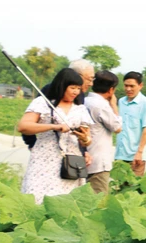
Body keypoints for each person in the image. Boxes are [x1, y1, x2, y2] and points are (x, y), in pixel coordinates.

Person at [17, 69, 93, 204]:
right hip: (44, 160)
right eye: (72, 88)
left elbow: (87, 140)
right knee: (37, 199)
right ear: (62, 86)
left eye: (78, 88)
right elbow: (23, 126)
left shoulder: (80, 109)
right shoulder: (43, 103)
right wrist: (54, 127)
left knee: (65, 204)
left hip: (70, 163)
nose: (76, 92)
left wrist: (84, 138)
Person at [84, 71, 122, 194]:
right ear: (111, 90)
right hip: (98, 162)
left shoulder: (84, 101)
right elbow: (117, 127)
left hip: (84, 157)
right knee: (98, 201)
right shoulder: (101, 105)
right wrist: (114, 105)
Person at [115, 72, 146, 177]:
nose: (128, 89)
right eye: (126, 86)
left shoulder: (145, 103)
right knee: (119, 188)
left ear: (140, 86)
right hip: (120, 154)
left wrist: (140, 152)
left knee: (133, 189)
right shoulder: (121, 101)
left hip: (136, 156)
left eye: (132, 86)